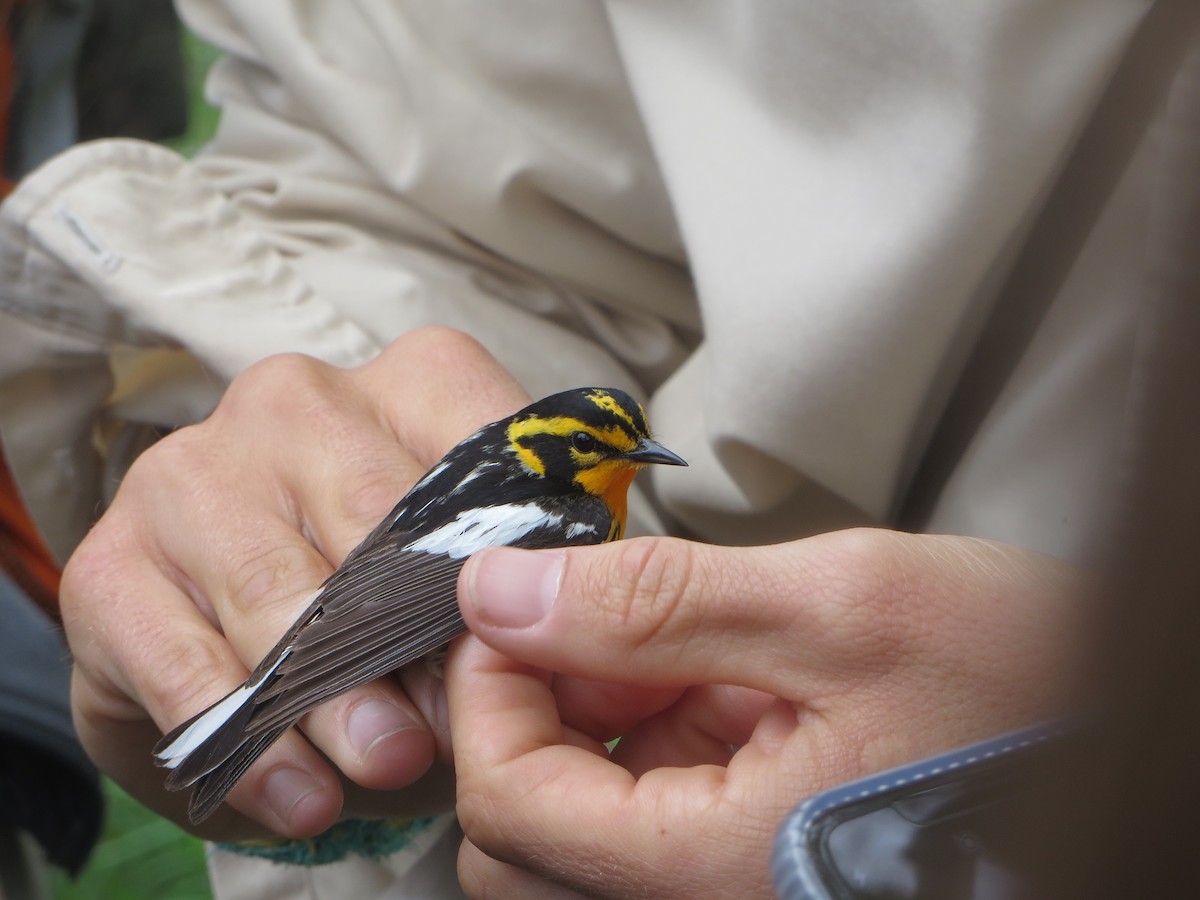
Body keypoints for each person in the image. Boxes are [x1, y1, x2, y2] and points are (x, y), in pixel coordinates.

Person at [0, 1, 1195, 896]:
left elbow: (421, 563)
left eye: (626, 446)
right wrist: (254, 560)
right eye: (604, 445)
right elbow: (427, 547)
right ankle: (252, 718)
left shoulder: (569, 503)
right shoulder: (565, 511)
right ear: (560, 452)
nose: (626, 460)